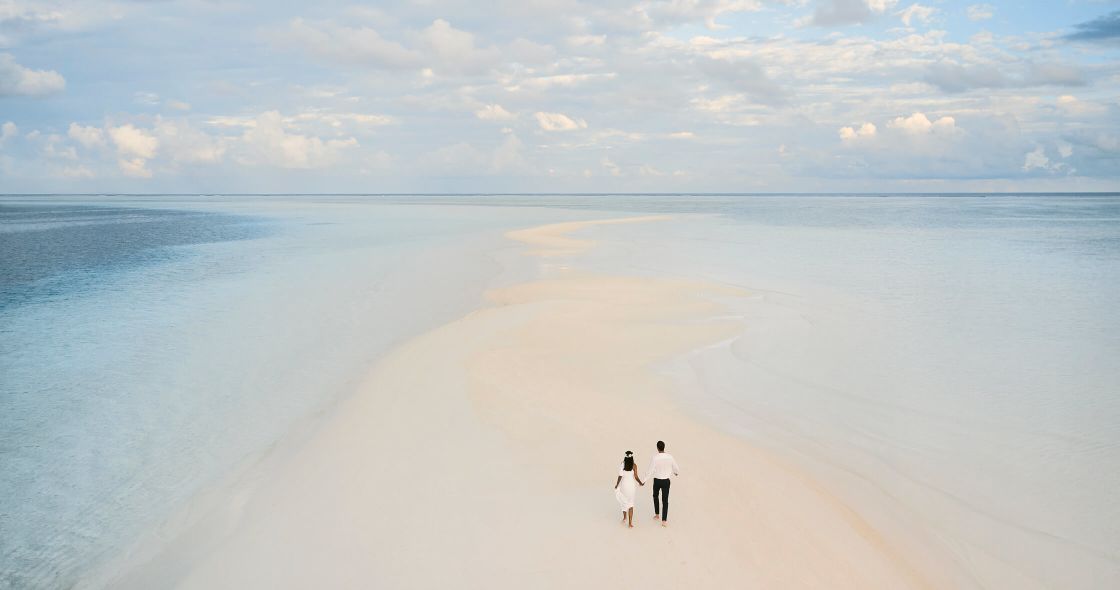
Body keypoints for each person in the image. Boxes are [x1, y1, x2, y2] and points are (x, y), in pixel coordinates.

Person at [646, 440, 679, 527]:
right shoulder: (670, 457)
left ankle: (657, 514)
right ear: (664, 447)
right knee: (665, 501)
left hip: (657, 480)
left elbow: (650, 470)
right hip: (666, 481)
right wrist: (676, 472)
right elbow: (676, 468)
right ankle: (664, 520)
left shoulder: (655, 458)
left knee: (655, 496)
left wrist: (644, 480)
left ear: (657, 448)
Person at [614, 451, 645, 527]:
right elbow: (636, 477)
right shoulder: (634, 465)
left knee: (623, 501)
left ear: (625, 457)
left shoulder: (622, 464)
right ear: (632, 457)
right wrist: (640, 483)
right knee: (631, 503)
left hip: (624, 485)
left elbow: (620, 476)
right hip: (631, 486)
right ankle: (630, 523)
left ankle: (624, 518)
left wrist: (617, 484)